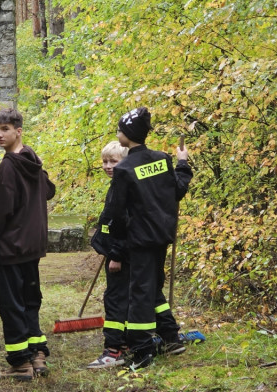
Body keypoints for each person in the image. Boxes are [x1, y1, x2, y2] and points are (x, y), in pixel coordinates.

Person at [108, 107, 192, 369]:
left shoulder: (124, 169)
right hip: (161, 237)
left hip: (140, 241)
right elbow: (176, 191)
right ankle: (170, 337)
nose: (118, 133)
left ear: (129, 135)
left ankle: (142, 351)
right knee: (152, 288)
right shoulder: (162, 159)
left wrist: (114, 249)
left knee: (141, 294)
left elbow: (116, 214)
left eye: (121, 129)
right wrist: (182, 163)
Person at [0, 108, 56, 381]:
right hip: (32, 247)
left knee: (11, 303)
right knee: (29, 301)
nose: (0, 135)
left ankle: (20, 363)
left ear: (18, 131)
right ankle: (37, 354)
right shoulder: (32, 160)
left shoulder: (10, 165)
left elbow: (0, 212)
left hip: (11, 247)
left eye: (5, 130)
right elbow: (49, 190)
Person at [86, 141, 130, 369]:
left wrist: (116, 255)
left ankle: (113, 350)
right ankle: (127, 344)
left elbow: (123, 225)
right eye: (105, 161)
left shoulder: (124, 188)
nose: (107, 166)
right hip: (115, 251)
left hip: (120, 256)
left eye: (114, 161)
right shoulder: (117, 184)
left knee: (114, 300)